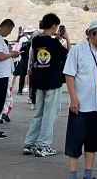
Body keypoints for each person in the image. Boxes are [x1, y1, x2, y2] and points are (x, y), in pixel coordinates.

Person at [63, 19, 97, 179]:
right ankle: (73, 175)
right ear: (92, 33)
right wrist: (73, 99)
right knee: (75, 143)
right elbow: (69, 75)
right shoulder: (77, 50)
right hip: (80, 104)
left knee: (93, 143)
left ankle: (88, 174)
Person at [23, 13, 69, 158]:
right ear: (54, 25)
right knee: (50, 114)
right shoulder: (54, 43)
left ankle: (30, 143)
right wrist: (66, 38)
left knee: (38, 113)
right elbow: (67, 54)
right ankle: (43, 145)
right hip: (53, 82)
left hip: (39, 81)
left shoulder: (36, 40)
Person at [0, 18, 20, 139]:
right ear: (5, 27)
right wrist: (12, 54)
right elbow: (0, 56)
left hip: (3, 75)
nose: (9, 33)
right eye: (9, 30)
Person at [14, 28, 32, 95]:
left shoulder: (22, 39)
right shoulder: (33, 38)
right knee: (30, 76)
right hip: (29, 60)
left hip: (24, 59)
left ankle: (20, 90)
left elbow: (19, 49)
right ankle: (30, 92)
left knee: (22, 76)